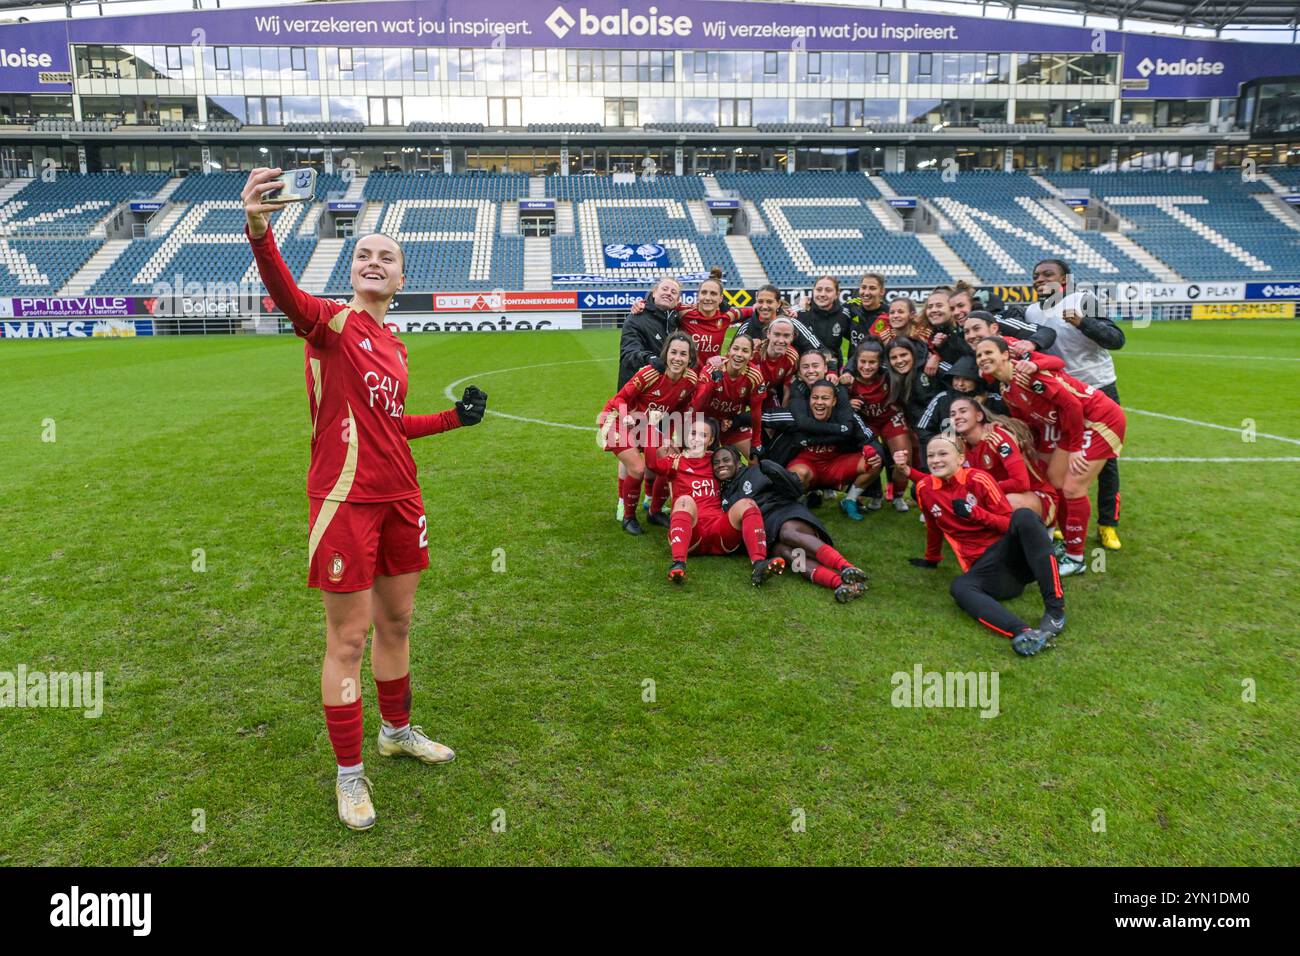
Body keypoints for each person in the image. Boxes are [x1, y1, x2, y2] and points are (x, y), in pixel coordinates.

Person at [243, 166, 487, 832]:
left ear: (401, 279)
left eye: (388, 257)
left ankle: (397, 731)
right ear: (352, 270)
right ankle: (349, 777)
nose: (375, 262)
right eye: (365, 255)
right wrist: (261, 231)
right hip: (345, 502)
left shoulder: (395, 346)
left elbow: (391, 424)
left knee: (399, 625)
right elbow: (286, 295)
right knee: (347, 640)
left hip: (401, 497)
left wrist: (452, 421)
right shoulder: (330, 323)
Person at [975, 336, 1126, 577]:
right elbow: (1026, 421)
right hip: (1069, 426)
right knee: (1054, 482)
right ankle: (1063, 540)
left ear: (1005, 355)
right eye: (979, 355)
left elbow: (1073, 406)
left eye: (988, 353)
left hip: (1099, 419)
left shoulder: (1029, 376)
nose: (983, 359)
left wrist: (1076, 447)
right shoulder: (1007, 388)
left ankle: (1076, 558)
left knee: (1073, 487)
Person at [902, 438, 1065, 657]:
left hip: (1009, 556)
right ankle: (1023, 632)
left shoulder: (979, 479)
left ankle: (1055, 611)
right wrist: (932, 558)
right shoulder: (924, 489)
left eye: (943, 454)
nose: (935, 460)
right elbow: (933, 527)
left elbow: (1009, 524)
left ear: (960, 458)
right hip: (985, 572)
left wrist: (975, 513)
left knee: (1024, 516)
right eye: (930, 455)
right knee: (959, 587)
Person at [1027, 258, 1127, 552]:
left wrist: (1083, 322)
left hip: (1099, 390)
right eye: (1035, 275)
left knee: (1106, 461)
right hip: (1061, 396)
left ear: (1065, 280)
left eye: (1047, 274)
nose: (1039, 279)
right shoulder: (1032, 311)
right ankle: (1058, 520)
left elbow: (1116, 339)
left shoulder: (1083, 299)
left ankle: (1107, 524)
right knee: (1056, 458)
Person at [714, 446, 867, 602]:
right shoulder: (722, 495)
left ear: (739, 463)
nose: (721, 464)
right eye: (716, 462)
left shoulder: (757, 471)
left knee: (788, 533)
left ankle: (847, 567)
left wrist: (774, 470)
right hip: (768, 534)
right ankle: (842, 584)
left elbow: (794, 489)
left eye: (726, 460)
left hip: (784, 513)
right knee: (789, 554)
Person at [644, 417, 785, 585]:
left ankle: (759, 563)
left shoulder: (715, 460)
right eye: (693, 433)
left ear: (710, 440)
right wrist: (651, 428)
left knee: (748, 503)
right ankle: (678, 563)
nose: (696, 438)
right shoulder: (675, 461)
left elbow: (735, 465)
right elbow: (652, 464)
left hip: (719, 531)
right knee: (684, 500)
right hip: (692, 535)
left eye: (702, 435)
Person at [599, 332, 701, 535]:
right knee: (637, 468)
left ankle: (654, 512)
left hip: (646, 426)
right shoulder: (650, 374)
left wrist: (672, 435)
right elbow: (619, 398)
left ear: (690, 358)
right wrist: (627, 415)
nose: (677, 358)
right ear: (666, 353)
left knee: (670, 461)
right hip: (618, 419)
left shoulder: (690, 380)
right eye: (673, 352)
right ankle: (628, 517)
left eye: (683, 354)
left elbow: (680, 407)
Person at [949, 395, 1059, 526]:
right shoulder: (960, 447)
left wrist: (984, 490)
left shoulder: (998, 437)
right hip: (995, 496)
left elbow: (1021, 483)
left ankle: (1043, 537)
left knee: (1007, 502)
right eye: (952, 414)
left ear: (978, 416)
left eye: (963, 411)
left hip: (1037, 498)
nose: (957, 416)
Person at [842, 339, 912, 516]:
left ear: (880, 362)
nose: (866, 366)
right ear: (855, 361)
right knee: (871, 457)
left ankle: (897, 495)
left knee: (903, 455)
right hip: (866, 422)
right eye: (862, 362)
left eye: (872, 362)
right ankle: (874, 495)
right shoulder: (848, 379)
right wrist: (848, 402)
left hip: (889, 418)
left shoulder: (889, 374)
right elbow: (838, 404)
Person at [787, 380, 884, 505]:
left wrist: (877, 454)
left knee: (874, 463)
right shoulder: (798, 415)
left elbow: (869, 438)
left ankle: (850, 500)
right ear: (809, 399)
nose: (819, 402)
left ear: (834, 401)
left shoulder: (846, 416)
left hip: (835, 464)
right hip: (806, 464)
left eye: (825, 398)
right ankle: (798, 502)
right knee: (797, 475)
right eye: (815, 398)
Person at [692, 333, 766, 457]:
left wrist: (756, 442)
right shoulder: (713, 369)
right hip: (706, 421)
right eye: (736, 349)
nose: (739, 354)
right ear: (729, 350)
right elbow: (698, 403)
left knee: (756, 458)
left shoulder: (755, 376)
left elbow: (756, 412)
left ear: (752, 355)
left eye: (745, 351)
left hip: (731, 423)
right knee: (704, 459)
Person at [618, 276, 681, 388]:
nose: (668, 293)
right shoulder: (636, 318)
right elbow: (629, 354)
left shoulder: (679, 320)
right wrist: (650, 358)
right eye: (665, 289)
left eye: (673, 292)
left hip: (667, 389)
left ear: (677, 301)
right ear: (654, 293)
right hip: (639, 389)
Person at [733, 283, 823, 355]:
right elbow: (732, 353)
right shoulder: (747, 326)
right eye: (760, 301)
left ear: (778, 303)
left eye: (769, 302)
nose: (764, 306)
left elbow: (818, 348)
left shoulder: (792, 323)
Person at [797, 275, 854, 369]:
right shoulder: (800, 312)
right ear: (813, 291)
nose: (822, 294)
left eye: (828, 290)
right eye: (819, 289)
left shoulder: (844, 315)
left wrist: (849, 370)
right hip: (805, 371)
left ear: (837, 294)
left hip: (833, 372)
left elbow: (856, 341)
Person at [846, 273, 889, 351]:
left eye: (872, 288)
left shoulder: (889, 314)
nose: (866, 293)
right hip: (854, 362)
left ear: (882, 291)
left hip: (879, 362)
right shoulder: (850, 307)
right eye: (863, 287)